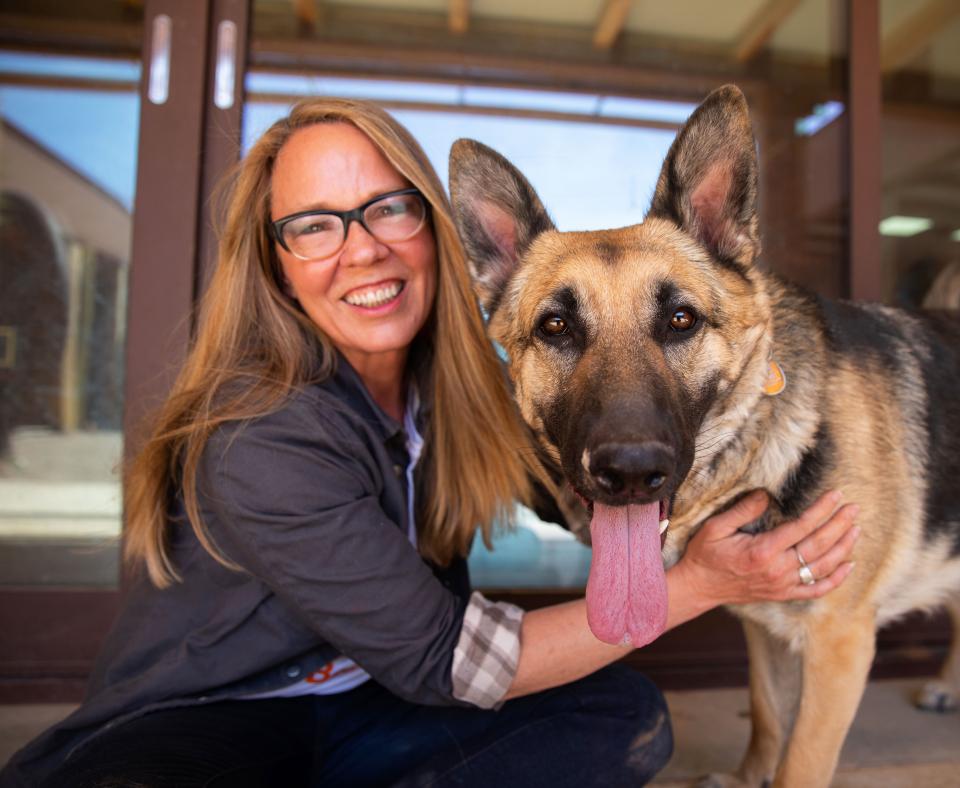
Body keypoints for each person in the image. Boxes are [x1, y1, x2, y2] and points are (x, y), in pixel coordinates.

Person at [0, 99, 859, 788]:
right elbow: (443, 658)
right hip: (211, 717)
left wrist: (751, 443)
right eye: (314, 225)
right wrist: (705, 581)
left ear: (435, 229)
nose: (362, 250)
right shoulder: (256, 436)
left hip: (376, 708)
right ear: (277, 264)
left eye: (386, 209)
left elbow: (584, 500)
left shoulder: (464, 396)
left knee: (622, 717)